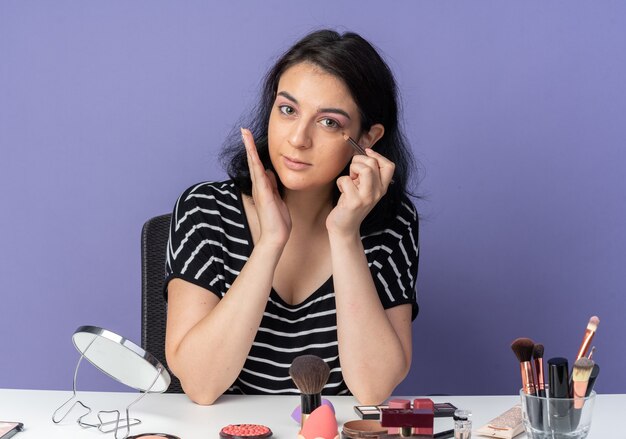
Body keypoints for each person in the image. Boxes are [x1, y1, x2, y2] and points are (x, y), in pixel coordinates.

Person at [164, 29, 419, 405]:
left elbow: (373, 389)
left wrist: (346, 235)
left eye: (328, 122)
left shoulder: (392, 225)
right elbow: (201, 386)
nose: (298, 138)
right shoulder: (205, 211)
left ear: (367, 139)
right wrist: (270, 242)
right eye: (288, 110)